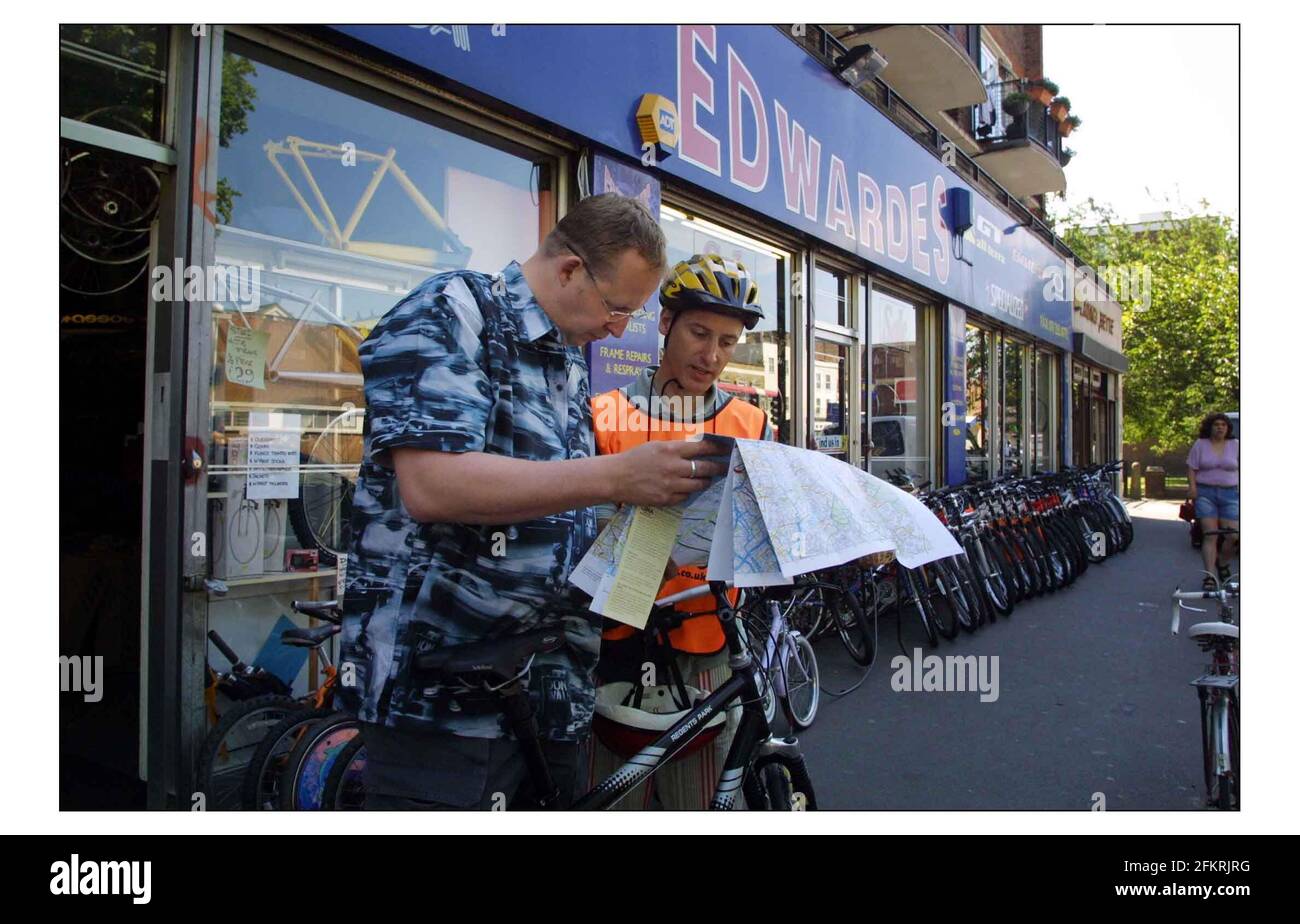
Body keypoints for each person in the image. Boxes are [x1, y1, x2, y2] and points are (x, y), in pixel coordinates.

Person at [339, 193, 729, 809]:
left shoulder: (566, 362)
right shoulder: (453, 312)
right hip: (447, 700)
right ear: (571, 269)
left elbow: (558, 507)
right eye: (616, 307)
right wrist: (614, 477)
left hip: (552, 689)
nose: (618, 328)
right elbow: (433, 484)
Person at [588, 253, 773, 809]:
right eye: (698, 332)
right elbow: (577, 528)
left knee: (700, 803)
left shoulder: (753, 425)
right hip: (617, 649)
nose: (712, 355)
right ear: (665, 323)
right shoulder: (605, 415)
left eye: (727, 341)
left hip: (710, 649)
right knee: (609, 803)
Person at [1186, 411, 1239, 588]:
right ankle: (1209, 576)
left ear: (1227, 428)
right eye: (1216, 425)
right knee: (1211, 535)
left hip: (1230, 493)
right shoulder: (1200, 445)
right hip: (1205, 493)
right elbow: (1192, 468)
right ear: (1210, 427)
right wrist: (1193, 488)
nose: (1220, 428)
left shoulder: (1235, 445)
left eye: (1223, 425)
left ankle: (1222, 563)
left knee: (1233, 535)